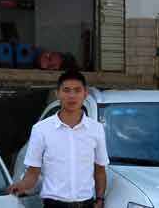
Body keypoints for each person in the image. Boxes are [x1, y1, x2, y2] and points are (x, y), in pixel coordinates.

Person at [8, 70, 108, 208]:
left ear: (85, 94)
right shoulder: (41, 129)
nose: (72, 96)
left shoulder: (96, 129)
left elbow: (100, 169)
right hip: (53, 204)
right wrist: (22, 185)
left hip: (86, 203)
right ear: (57, 94)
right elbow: (33, 171)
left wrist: (100, 199)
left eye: (77, 90)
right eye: (66, 90)